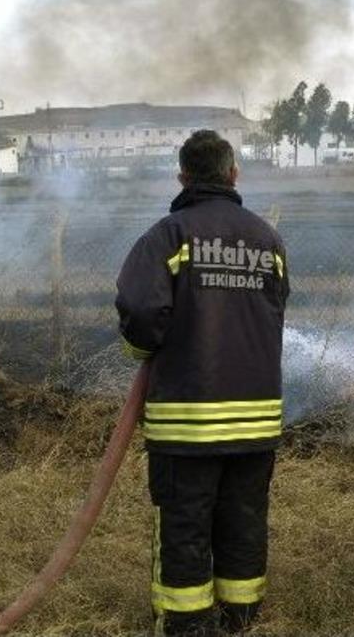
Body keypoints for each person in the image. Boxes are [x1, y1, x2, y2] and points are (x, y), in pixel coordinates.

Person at [115, 130, 289, 636]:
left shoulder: (168, 237)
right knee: (243, 520)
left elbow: (141, 309)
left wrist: (141, 352)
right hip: (256, 420)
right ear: (234, 174)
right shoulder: (268, 240)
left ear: (183, 176)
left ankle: (188, 624)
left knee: (185, 524)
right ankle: (241, 617)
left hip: (187, 421)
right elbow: (275, 310)